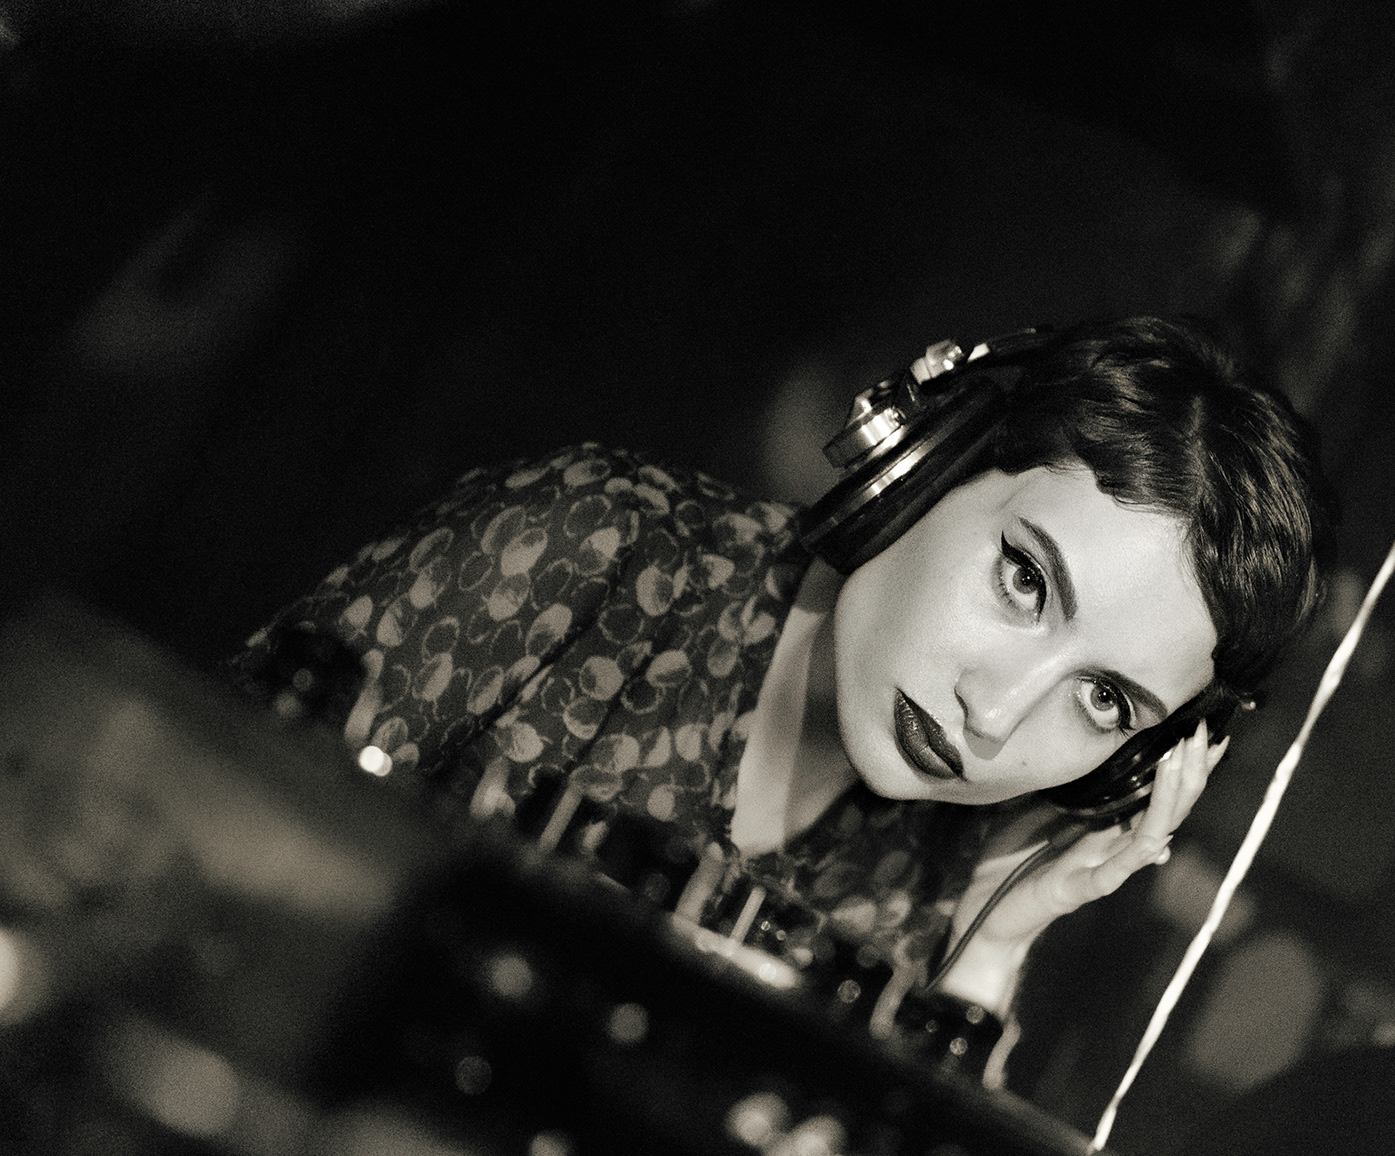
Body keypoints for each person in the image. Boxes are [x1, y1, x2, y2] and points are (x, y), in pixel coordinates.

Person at [236, 314, 1337, 1063]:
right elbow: (188, 820)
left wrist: (996, 945)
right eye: (1023, 580)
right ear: (926, 462)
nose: (996, 715)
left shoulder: (931, 884)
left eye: (1104, 702)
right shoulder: (593, 543)